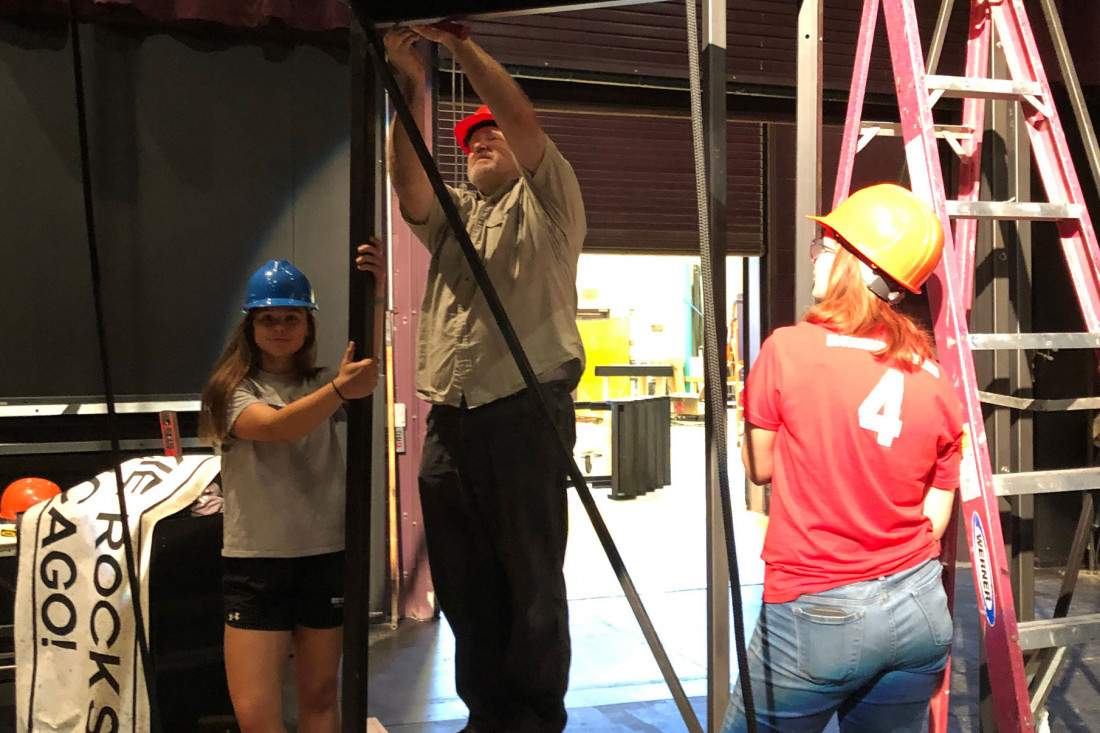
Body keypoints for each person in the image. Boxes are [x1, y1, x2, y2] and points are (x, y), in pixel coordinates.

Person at [381, 23, 586, 733]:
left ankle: (532, 718)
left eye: (489, 134)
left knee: (531, 584)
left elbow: (523, 121)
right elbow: (408, 182)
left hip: (525, 414)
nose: (479, 142)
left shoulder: (548, 204)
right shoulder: (454, 222)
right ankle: (487, 715)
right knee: (465, 584)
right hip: (452, 421)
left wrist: (459, 47)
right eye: (467, 140)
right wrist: (411, 85)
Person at [721, 184, 964, 733]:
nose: (817, 258)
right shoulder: (934, 380)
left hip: (816, 613)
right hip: (921, 610)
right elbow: (934, 515)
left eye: (826, 247)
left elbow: (760, 468)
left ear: (859, 267)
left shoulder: (787, 350)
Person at [198, 242, 384, 733]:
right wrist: (341, 389)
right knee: (257, 712)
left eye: (292, 318)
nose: (280, 329)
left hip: (324, 556)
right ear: (251, 327)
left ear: (308, 325)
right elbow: (279, 427)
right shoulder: (232, 389)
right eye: (269, 319)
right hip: (256, 562)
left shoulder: (324, 382)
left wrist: (378, 298)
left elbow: (367, 372)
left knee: (320, 696)